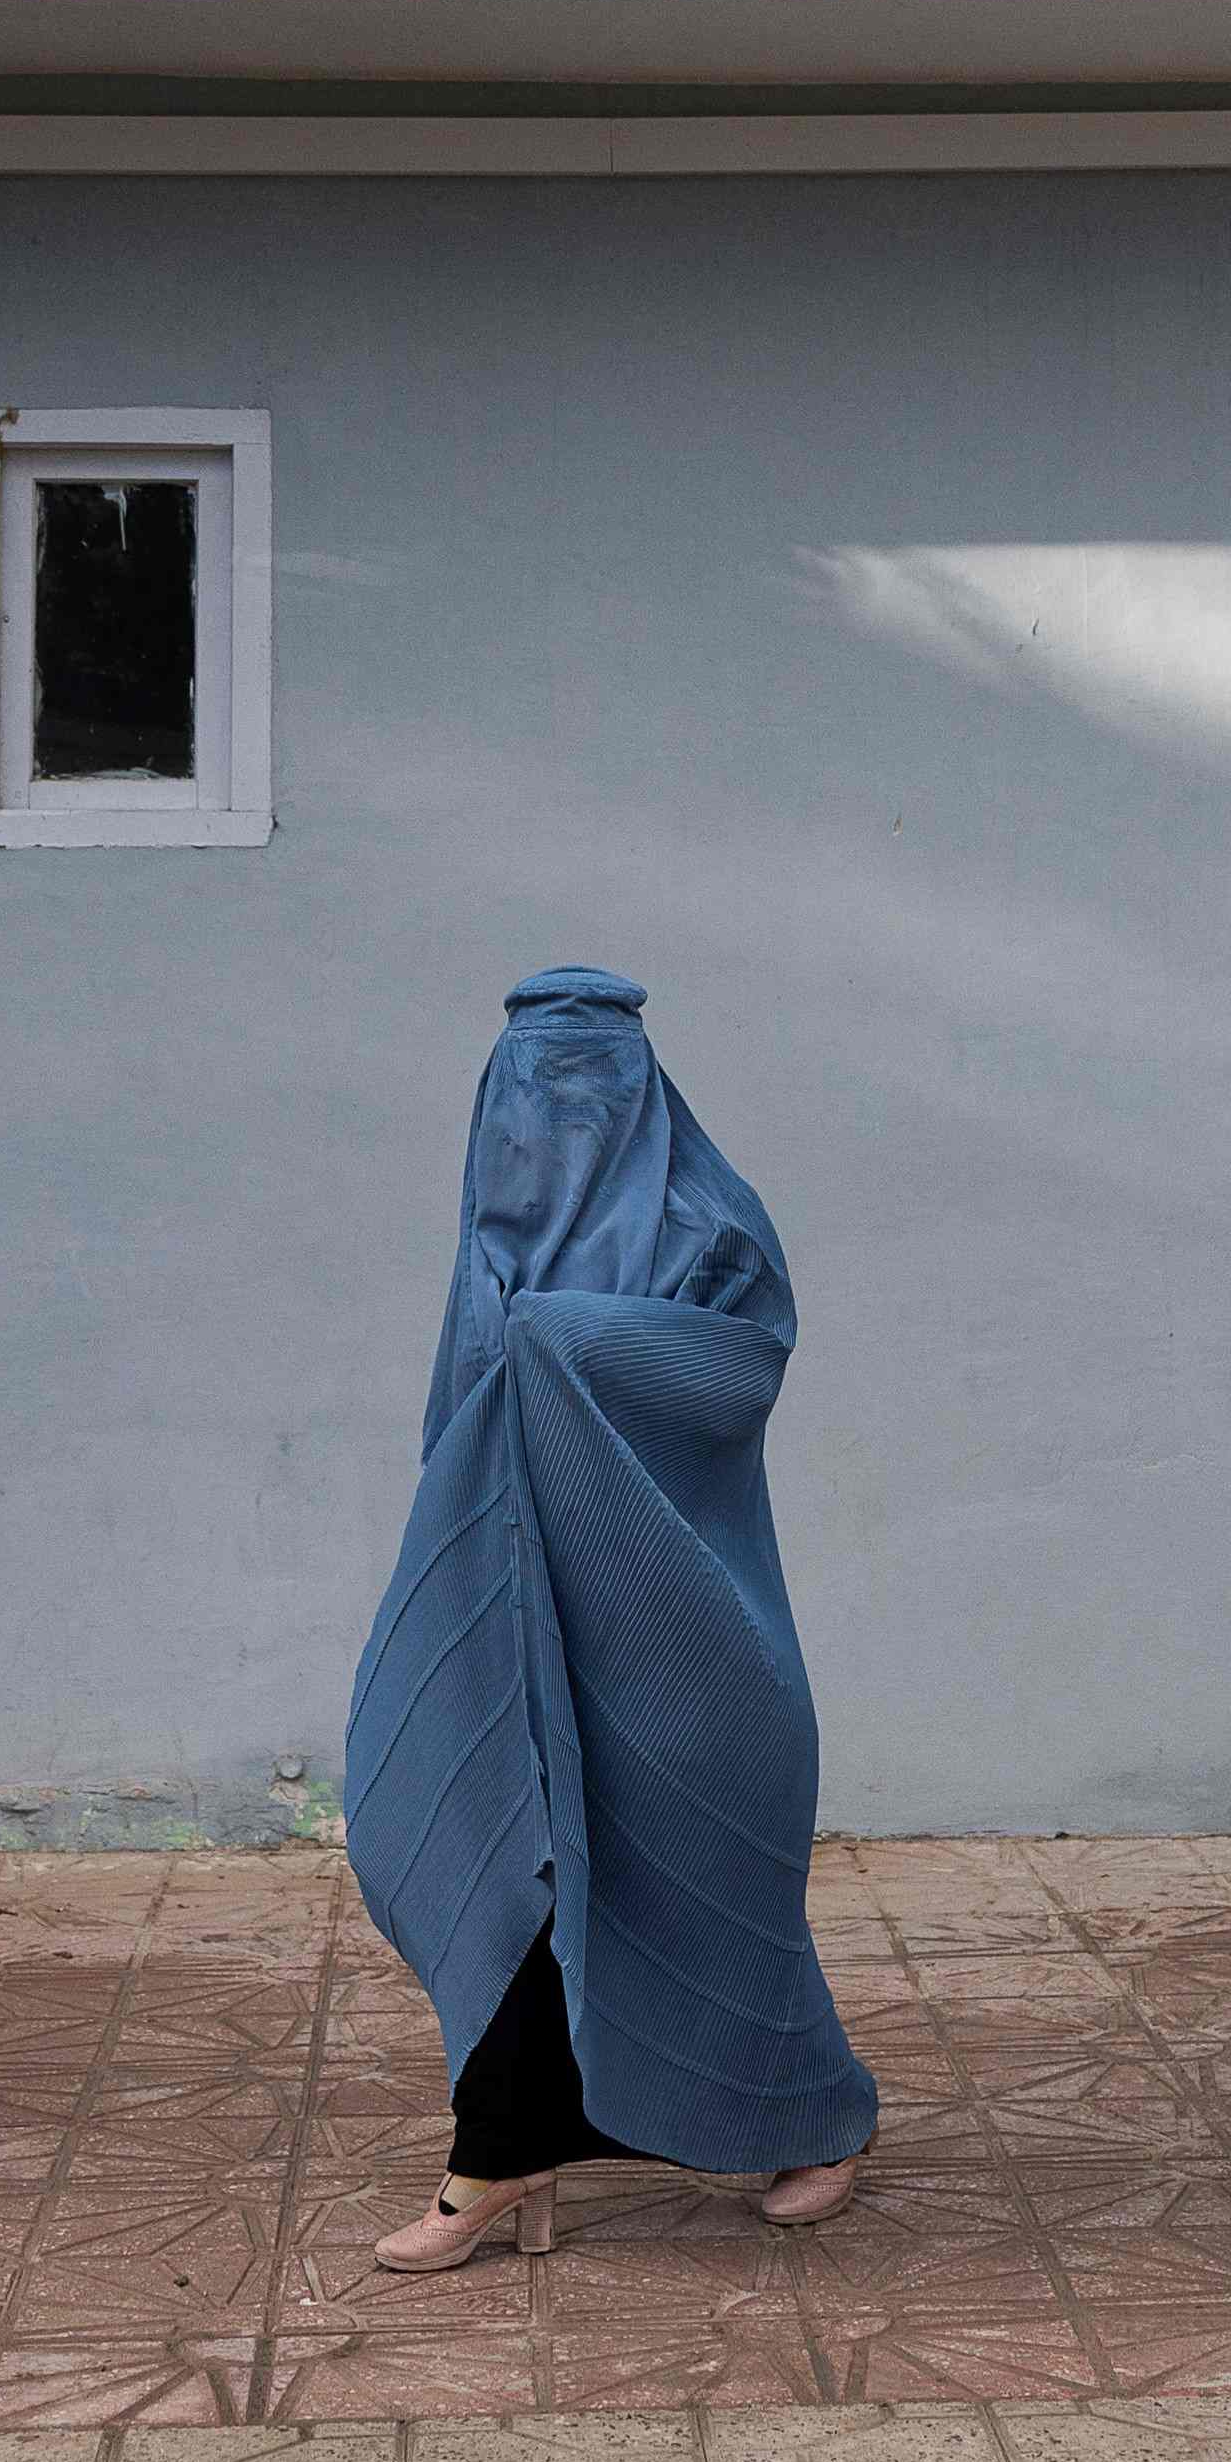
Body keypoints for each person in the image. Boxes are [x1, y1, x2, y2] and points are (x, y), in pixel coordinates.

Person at [342, 969, 872, 2268]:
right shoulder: (492, 1244)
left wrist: (568, 1338)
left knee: (698, 1906)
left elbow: (734, 1378)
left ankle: (813, 2120)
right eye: (531, 1085)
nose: (556, 1116)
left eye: (591, 1079)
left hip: (685, 1638)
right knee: (504, 1869)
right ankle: (504, 2155)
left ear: (647, 1090)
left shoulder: (713, 1235)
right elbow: (453, 1444)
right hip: (519, 1631)